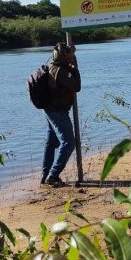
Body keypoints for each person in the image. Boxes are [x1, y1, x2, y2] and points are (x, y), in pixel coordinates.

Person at [42, 42, 81, 187]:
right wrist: (75, 68)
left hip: (52, 108)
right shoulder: (59, 70)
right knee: (69, 142)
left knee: (52, 142)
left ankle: (45, 175)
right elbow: (77, 86)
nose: (71, 54)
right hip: (56, 110)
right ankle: (52, 176)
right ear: (63, 55)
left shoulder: (53, 64)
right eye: (68, 52)